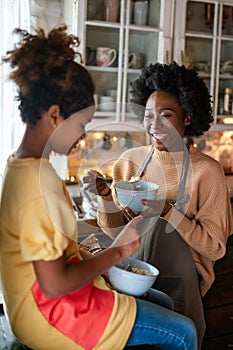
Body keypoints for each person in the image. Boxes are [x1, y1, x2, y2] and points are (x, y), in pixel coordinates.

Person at [0, 26, 198, 350]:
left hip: (48, 307)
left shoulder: (25, 168)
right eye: (81, 124)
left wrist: (109, 248)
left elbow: (59, 254)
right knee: (184, 332)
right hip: (56, 317)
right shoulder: (34, 186)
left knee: (162, 301)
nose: (82, 137)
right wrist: (117, 253)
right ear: (54, 115)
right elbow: (53, 284)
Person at [82, 61, 233, 349]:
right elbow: (118, 235)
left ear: (187, 117)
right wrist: (105, 197)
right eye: (149, 116)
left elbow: (215, 247)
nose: (155, 126)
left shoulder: (207, 171)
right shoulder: (131, 162)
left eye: (166, 115)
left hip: (181, 289)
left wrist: (168, 212)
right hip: (131, 280)